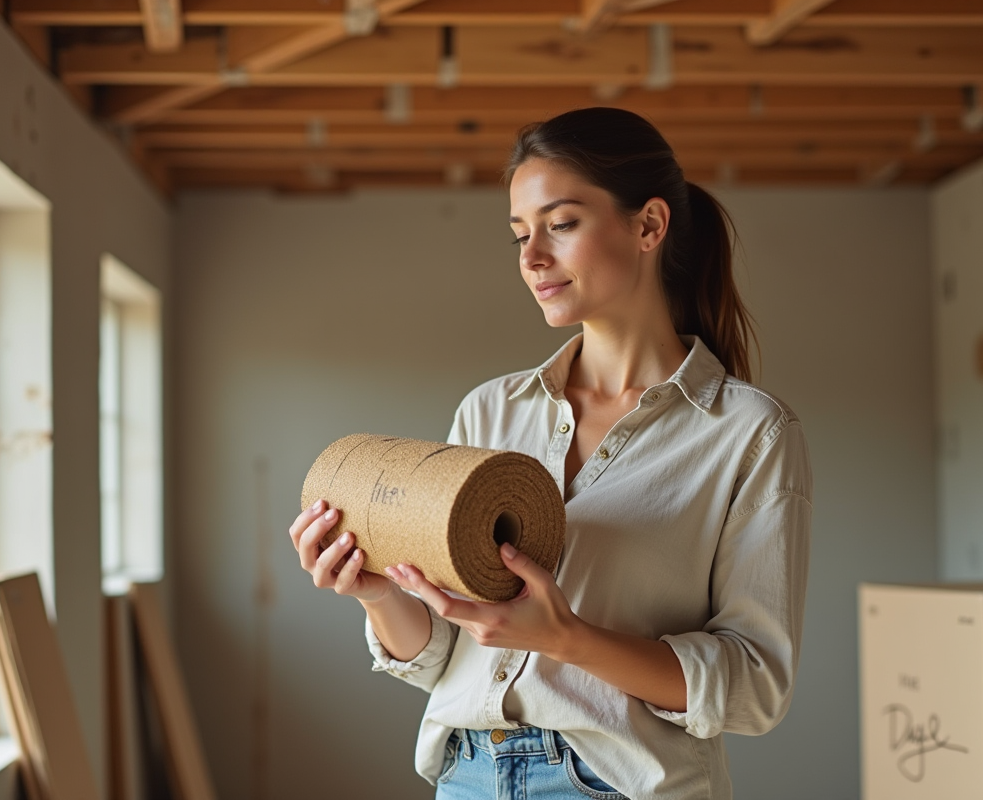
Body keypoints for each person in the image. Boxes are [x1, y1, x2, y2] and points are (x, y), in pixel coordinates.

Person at [289, 107, 812, 800]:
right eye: (519, 235)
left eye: (560, 225)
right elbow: (446, 651)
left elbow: (753, 689)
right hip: (467, 775)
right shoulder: (489, 411)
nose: (532, 257)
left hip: (616, 784)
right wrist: (378, 595)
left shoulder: (749, 433)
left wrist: (567, 639)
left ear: (649, 225)